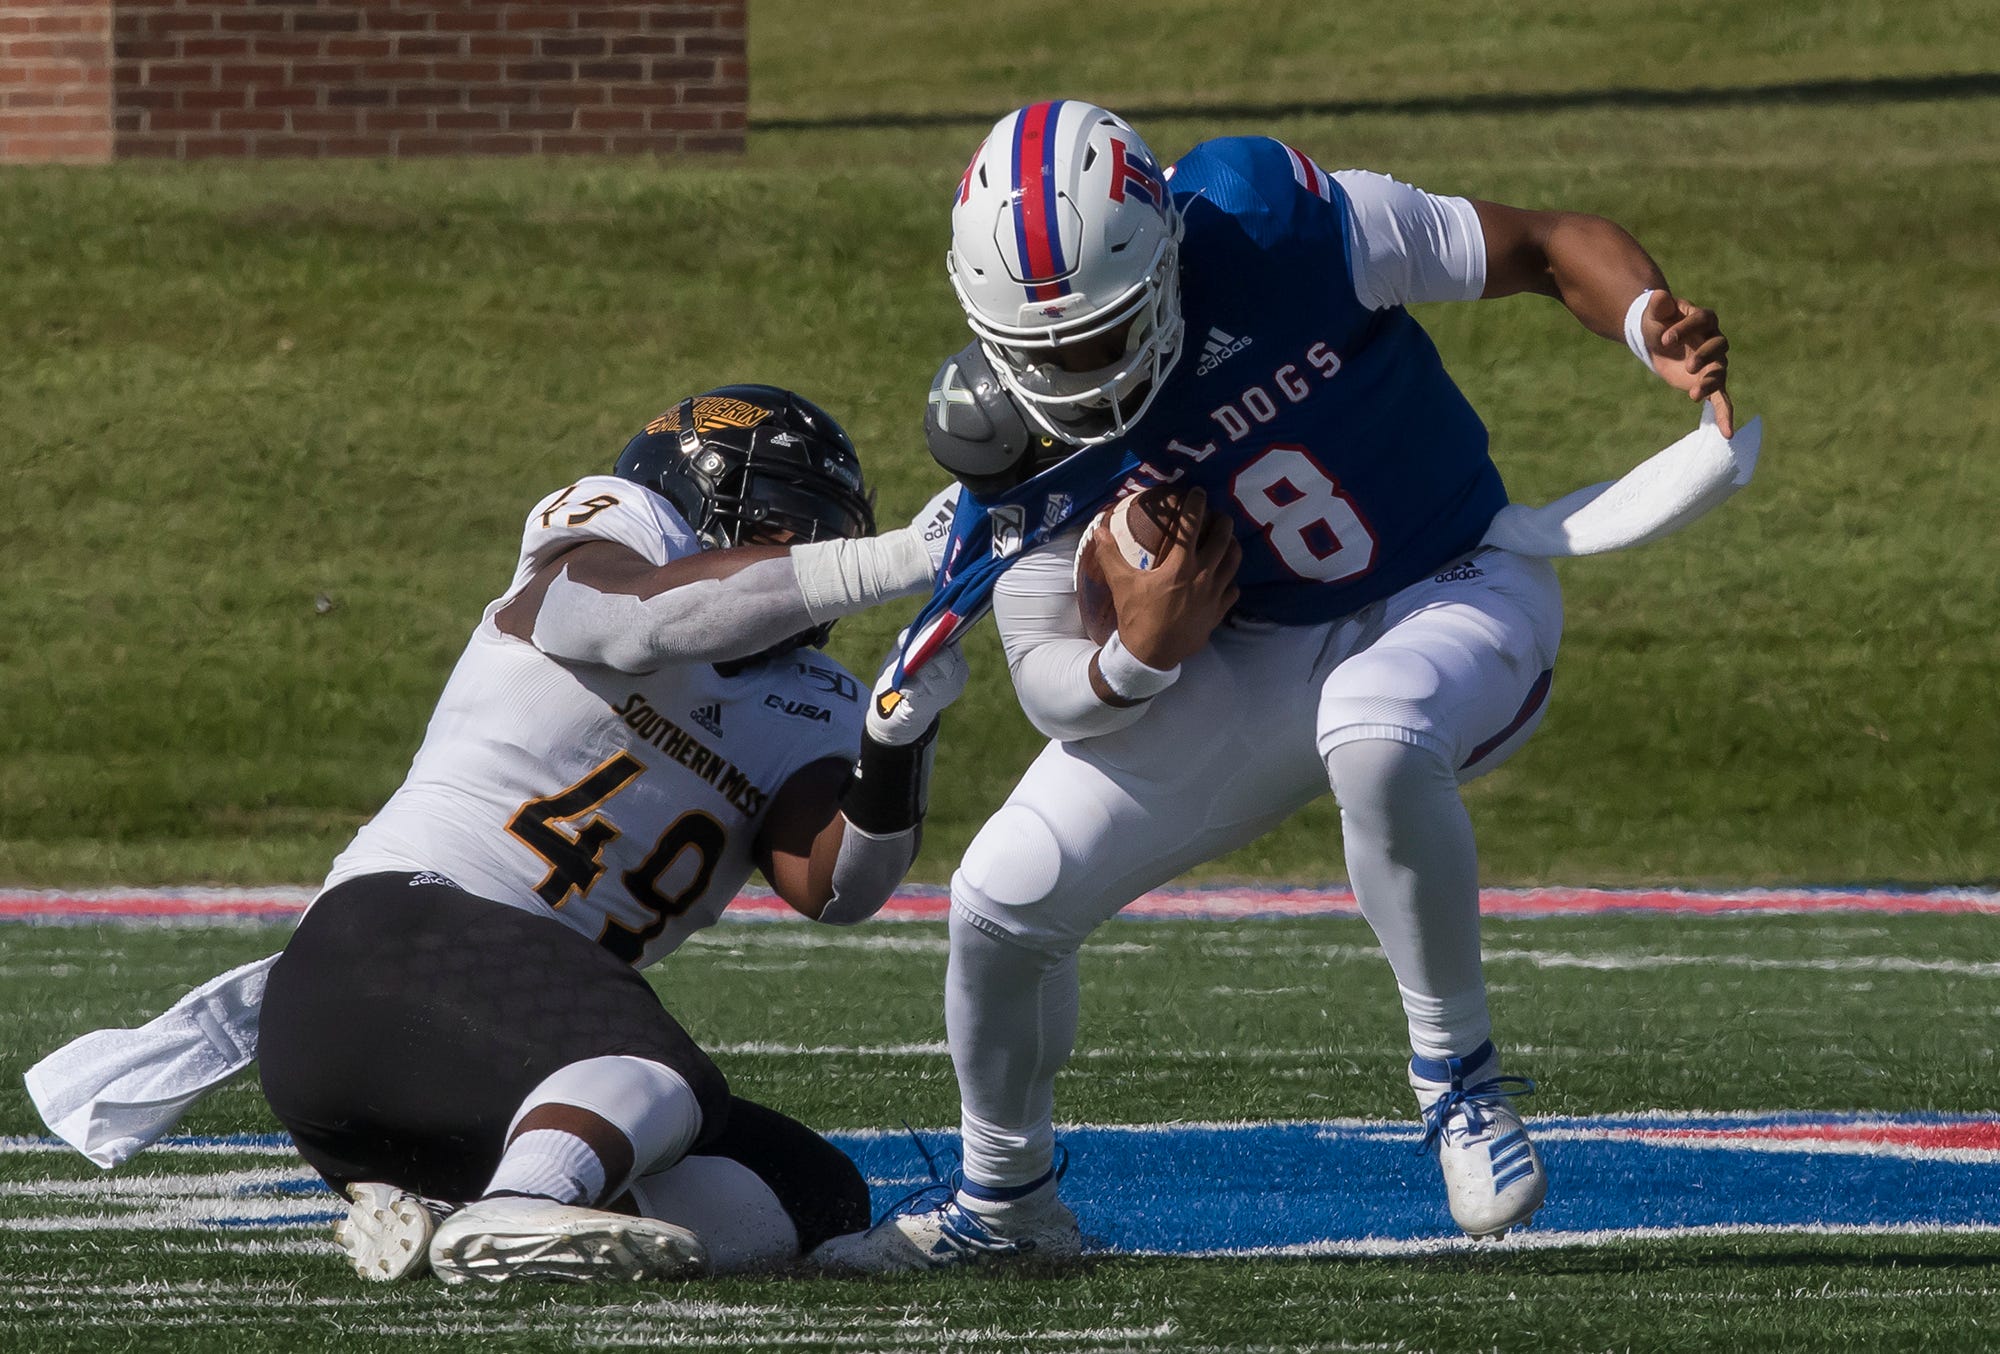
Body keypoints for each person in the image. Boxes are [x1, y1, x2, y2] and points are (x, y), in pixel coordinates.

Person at [814, 100, 1740, 1270]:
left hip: (1454, 583)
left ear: (1162, 260)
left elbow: (1545, 244)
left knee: (1373, 721)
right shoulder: (1012, 427)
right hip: (1250, 649)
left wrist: (1645, 318)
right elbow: (1055, 688)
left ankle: (1458, 1083)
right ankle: (1007, 1206)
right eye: (1044, 352)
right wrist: (1139, 651)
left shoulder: (1271, 226)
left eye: (1100, 336)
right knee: (998, 900)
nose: (1077, 377)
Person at [254, 384, 967, 1283]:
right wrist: (900, 557)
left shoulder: (813, 698)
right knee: (653, 1067)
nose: (813, 555)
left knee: (807, 1190)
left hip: (489, 1064)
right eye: (785, 524)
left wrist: (898, 740)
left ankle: (447, 1214)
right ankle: (530, 1204)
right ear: (692, 499)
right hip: (384, 952)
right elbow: (643, 622)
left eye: (826, 531)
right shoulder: (614, 537)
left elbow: (836, 888)